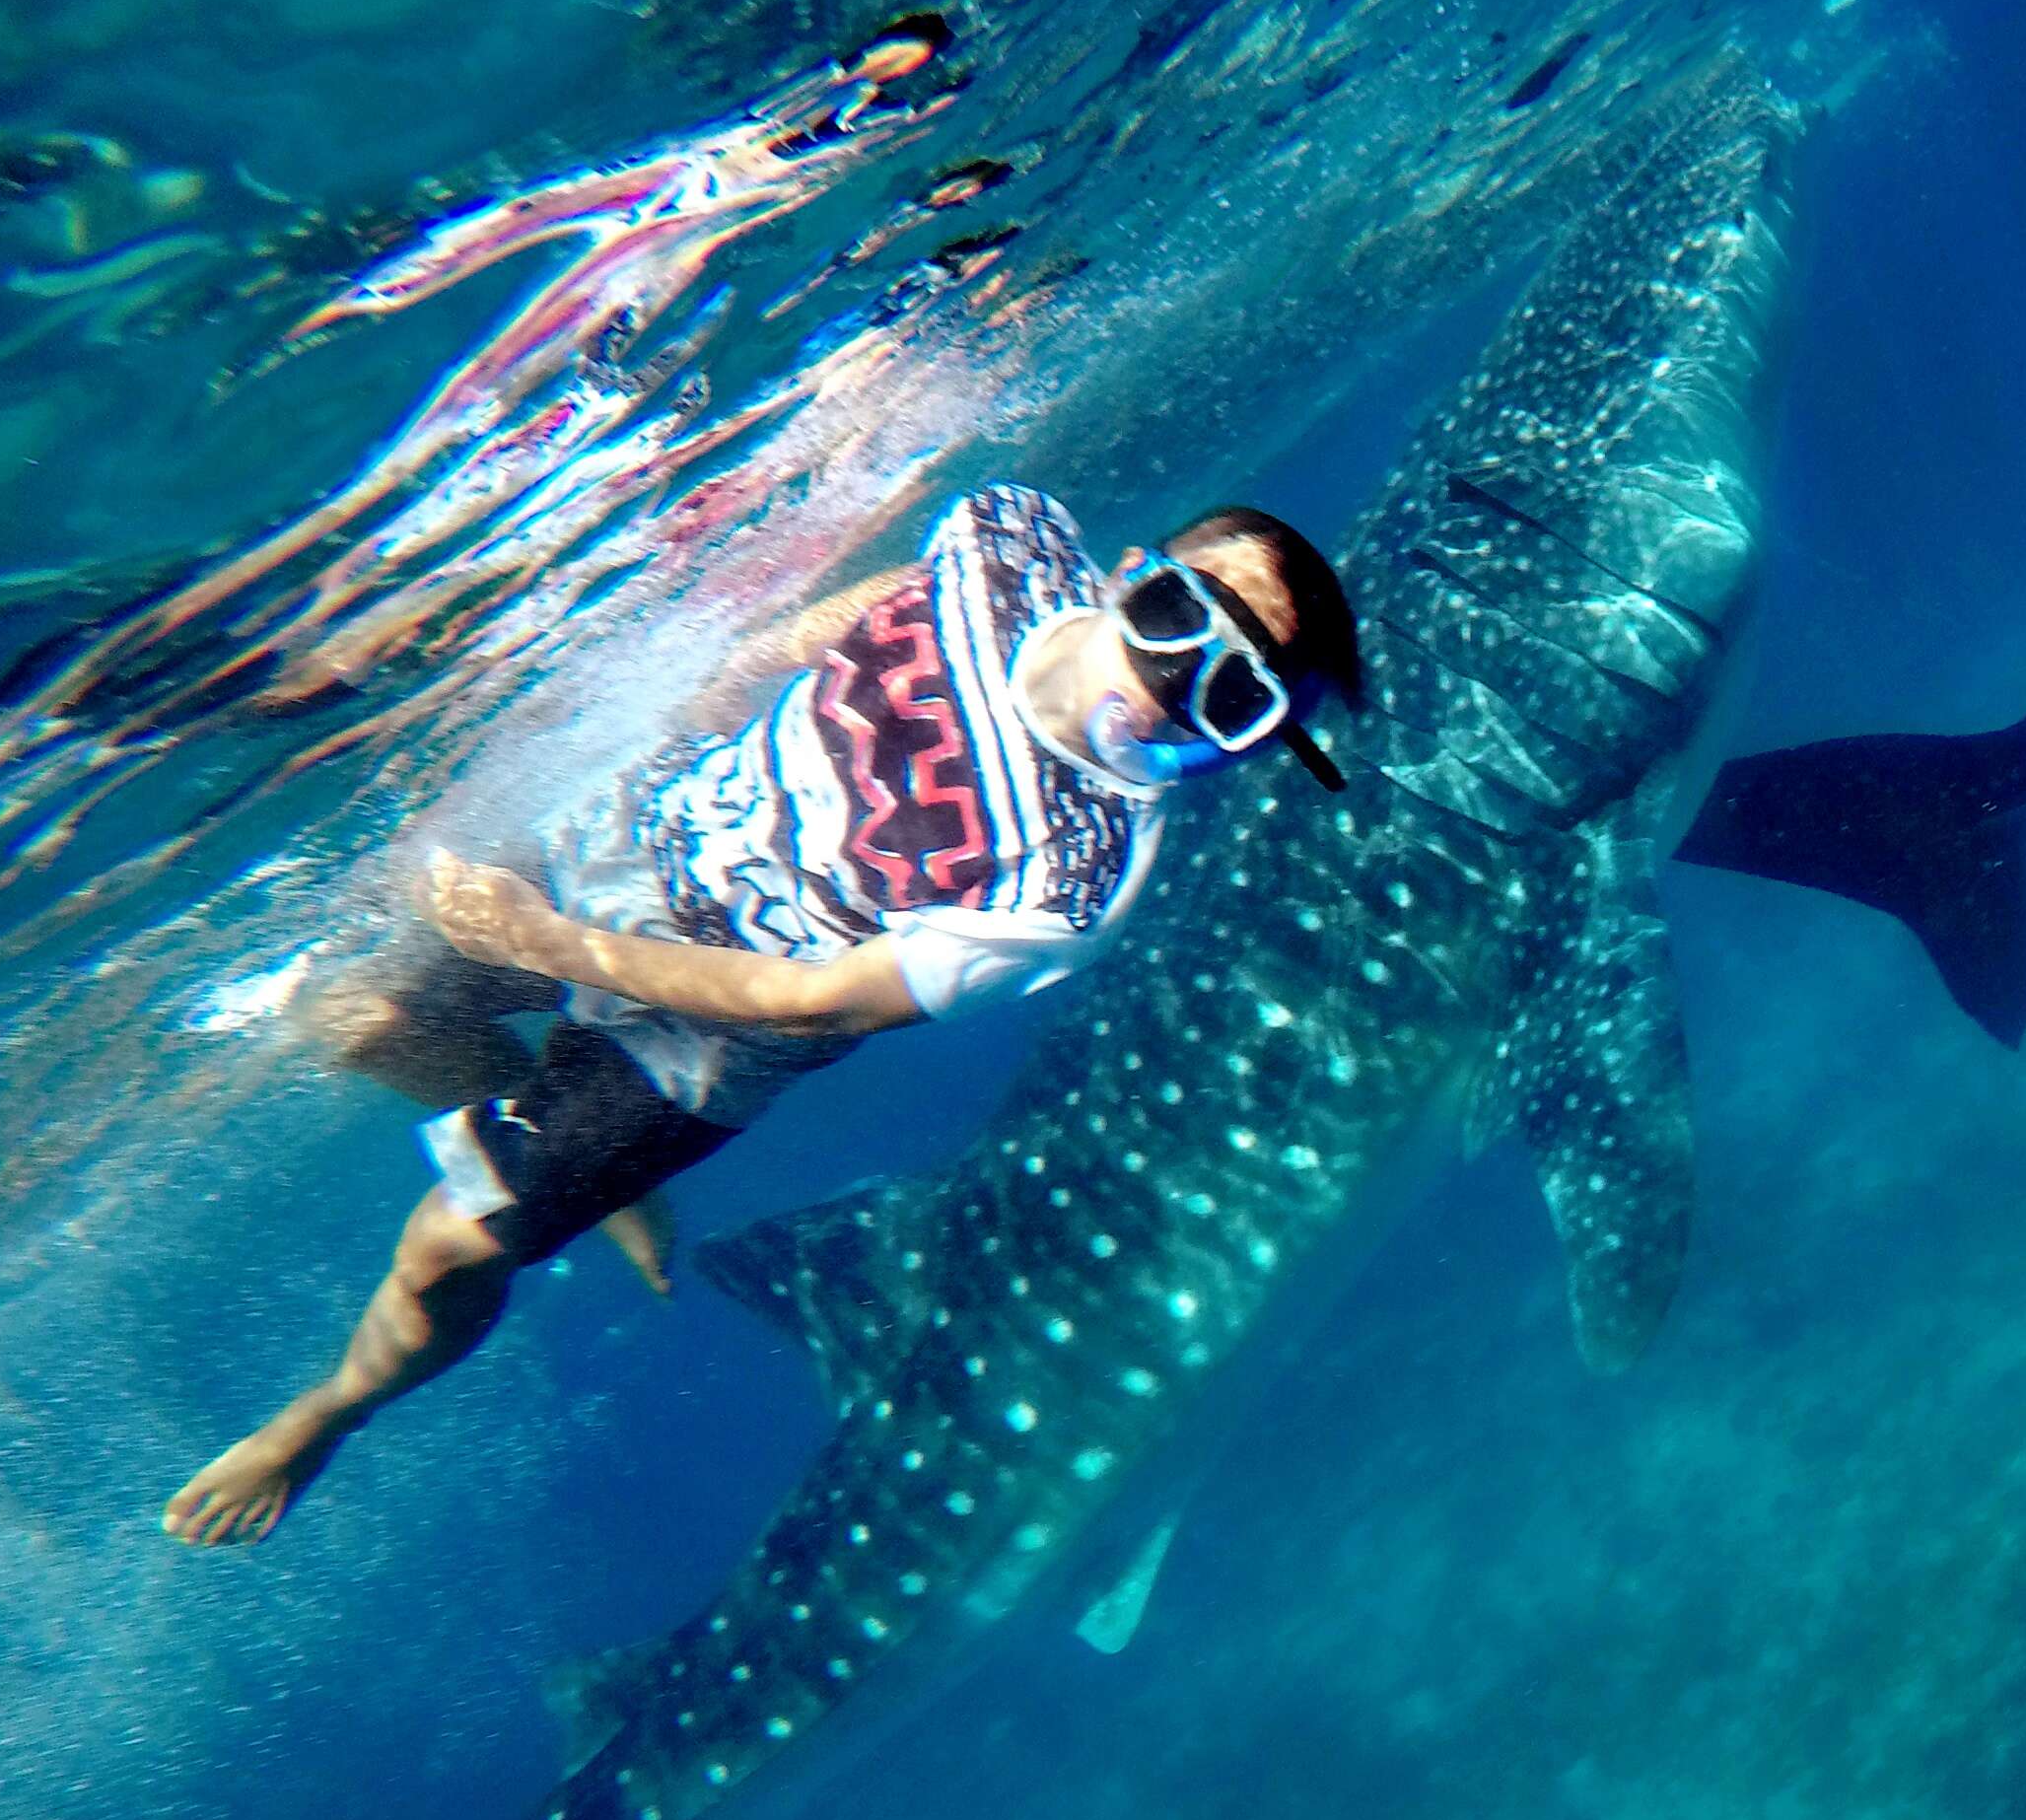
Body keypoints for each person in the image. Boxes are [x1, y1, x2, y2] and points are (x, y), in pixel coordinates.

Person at [162, 484, 1362, 1547]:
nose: (1169, 688)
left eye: (1232, 694)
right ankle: (598, 1179)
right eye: (1174, 623)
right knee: (355, 1014)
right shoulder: (1010, 540)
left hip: (711, 1028)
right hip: (637, 831)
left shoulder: (1076, 877)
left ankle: (330, 1411)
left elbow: (814, 997)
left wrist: (552, 948)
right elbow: (844, 623)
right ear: (1129, 576)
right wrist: (701, 693)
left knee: (448, 1248)